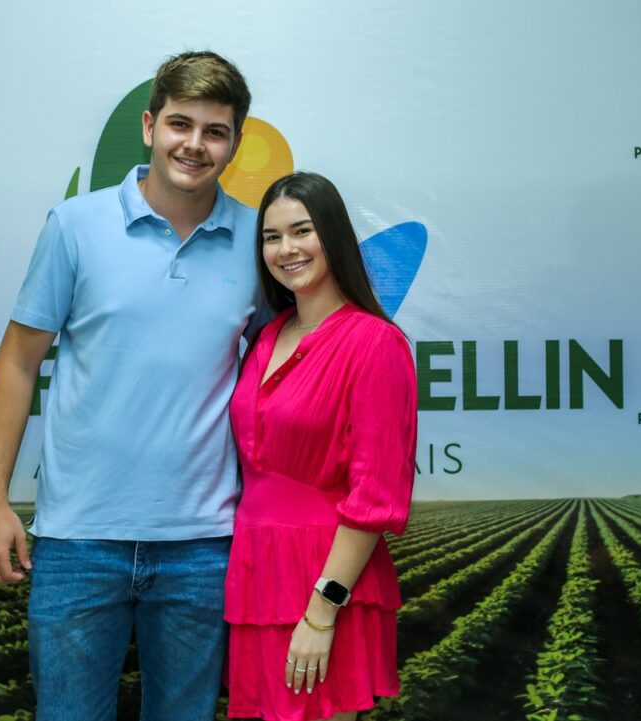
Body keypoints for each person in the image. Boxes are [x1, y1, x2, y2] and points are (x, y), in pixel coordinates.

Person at [0, 51, 262, 721]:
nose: (194, 145)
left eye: (215, 131)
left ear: (234, 143)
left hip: (204, 545)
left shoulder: (260, 240)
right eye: (180, 124)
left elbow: (287, 368)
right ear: (149, 125)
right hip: (78, 540)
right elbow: (17, 363)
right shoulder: (75, 226)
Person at [224, 172, 417, 721]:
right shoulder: (268, 336)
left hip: (325, 581)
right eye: (272, 237)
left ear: (333, 236)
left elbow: (376, 495)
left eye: (301, 231)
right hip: (257, 575)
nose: (286, 249)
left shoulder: (375, 343)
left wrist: (322, 611)